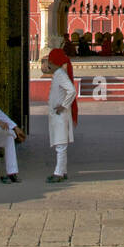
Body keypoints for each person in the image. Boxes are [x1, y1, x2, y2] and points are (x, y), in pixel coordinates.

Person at [42, 47, 77, 183]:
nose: (48, 64)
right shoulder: (58, 74)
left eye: (49, 61)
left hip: (60, 115)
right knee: (60, 144)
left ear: (54, 62)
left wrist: (64, 105)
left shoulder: (60, 74)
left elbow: (72, 91)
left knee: (61, 145)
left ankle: (58, 173)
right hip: (58, 115)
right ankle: (63, 171)